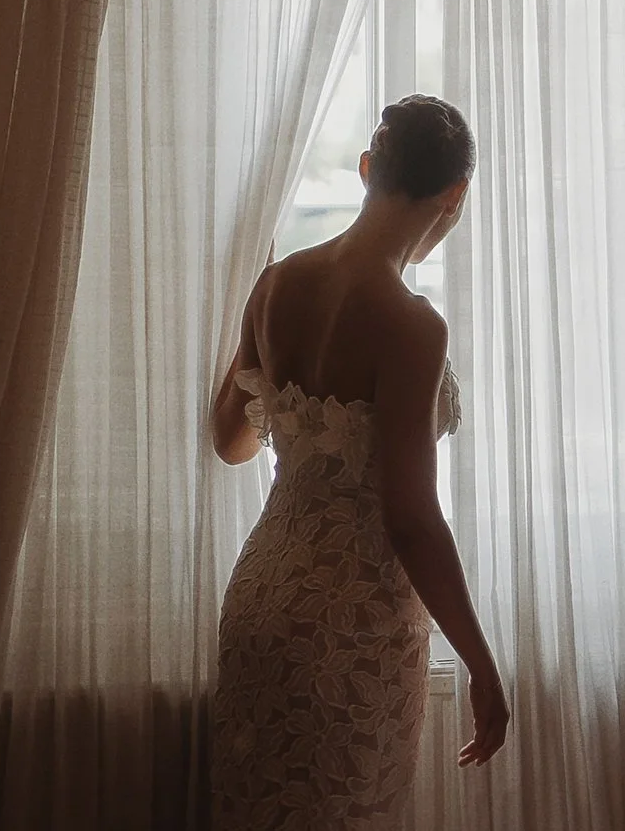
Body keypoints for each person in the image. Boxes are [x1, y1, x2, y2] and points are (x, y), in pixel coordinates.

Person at [208, 94, 508, 830]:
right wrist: (482, 664)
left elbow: (231, 439)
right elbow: (410, 520)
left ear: (369, 168)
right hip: (353, 615)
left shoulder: (276, 284)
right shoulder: (411, 325)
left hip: (261, 596)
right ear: (455, 195)